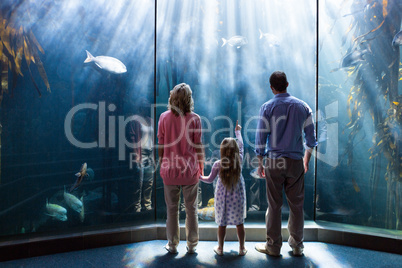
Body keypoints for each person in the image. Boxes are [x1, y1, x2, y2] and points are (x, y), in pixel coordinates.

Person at [254, 71, 317, 257]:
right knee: (296, 205)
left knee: (274, 205)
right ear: (287, 84)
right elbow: (311, 139)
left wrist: (260, 162)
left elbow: (260, 139)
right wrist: (306, 160)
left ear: (271, 88)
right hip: (296, 161)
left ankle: (273, 247)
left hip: (274, 162)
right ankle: (297, 245)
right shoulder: (303, 107)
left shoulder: (266, 107)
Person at [157, 83, 204, 254]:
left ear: (172, 98)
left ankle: (172, 245)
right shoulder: (195, 119)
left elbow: (161, 145)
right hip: (190, 172)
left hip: (169, 171)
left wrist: (161, 163)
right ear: (189, 99)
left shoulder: (163, 117)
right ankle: (192, 245)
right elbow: (198, 146)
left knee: (172, 209)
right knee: (191, 209)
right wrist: (201, 167)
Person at [199, 120, 247, 256]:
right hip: (237, 198)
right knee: (240, 224)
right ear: (236, 150)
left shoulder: (217, 164)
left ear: (222, 150)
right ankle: (242, 248)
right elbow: (242, 146)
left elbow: (209, 180)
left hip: (222, 199)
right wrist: (238, 132)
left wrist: (199, 177)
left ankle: (220, 248)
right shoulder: (240, 160)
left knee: (222, 224)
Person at [130, 98, 154, 212]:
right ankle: (137, 207)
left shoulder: (151, 120)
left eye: (147, 106)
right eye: (144, 106)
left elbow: (154, 138)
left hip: (149, 152)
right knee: (138, 182)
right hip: (141, 153)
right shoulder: (135, 120)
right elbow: (133, 138)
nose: (145, 108)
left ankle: (147, 204)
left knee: (149, 181)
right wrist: (136, 155)